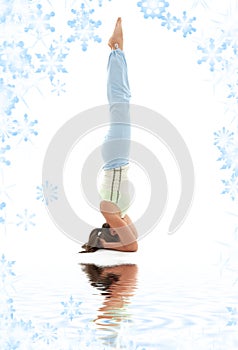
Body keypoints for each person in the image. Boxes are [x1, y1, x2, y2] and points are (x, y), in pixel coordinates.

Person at [81, 18, 138, 253]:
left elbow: (132, 246)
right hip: (117, 156)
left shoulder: (108, 208)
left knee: (120, 103)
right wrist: (107, 242)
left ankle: (116, 49)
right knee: (122, 102)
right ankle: (117, 50)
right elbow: (133, 237)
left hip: (115, 156)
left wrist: (102, 244)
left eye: (114, 230)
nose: (120, 228)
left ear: (109, 230)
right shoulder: (120, 212)